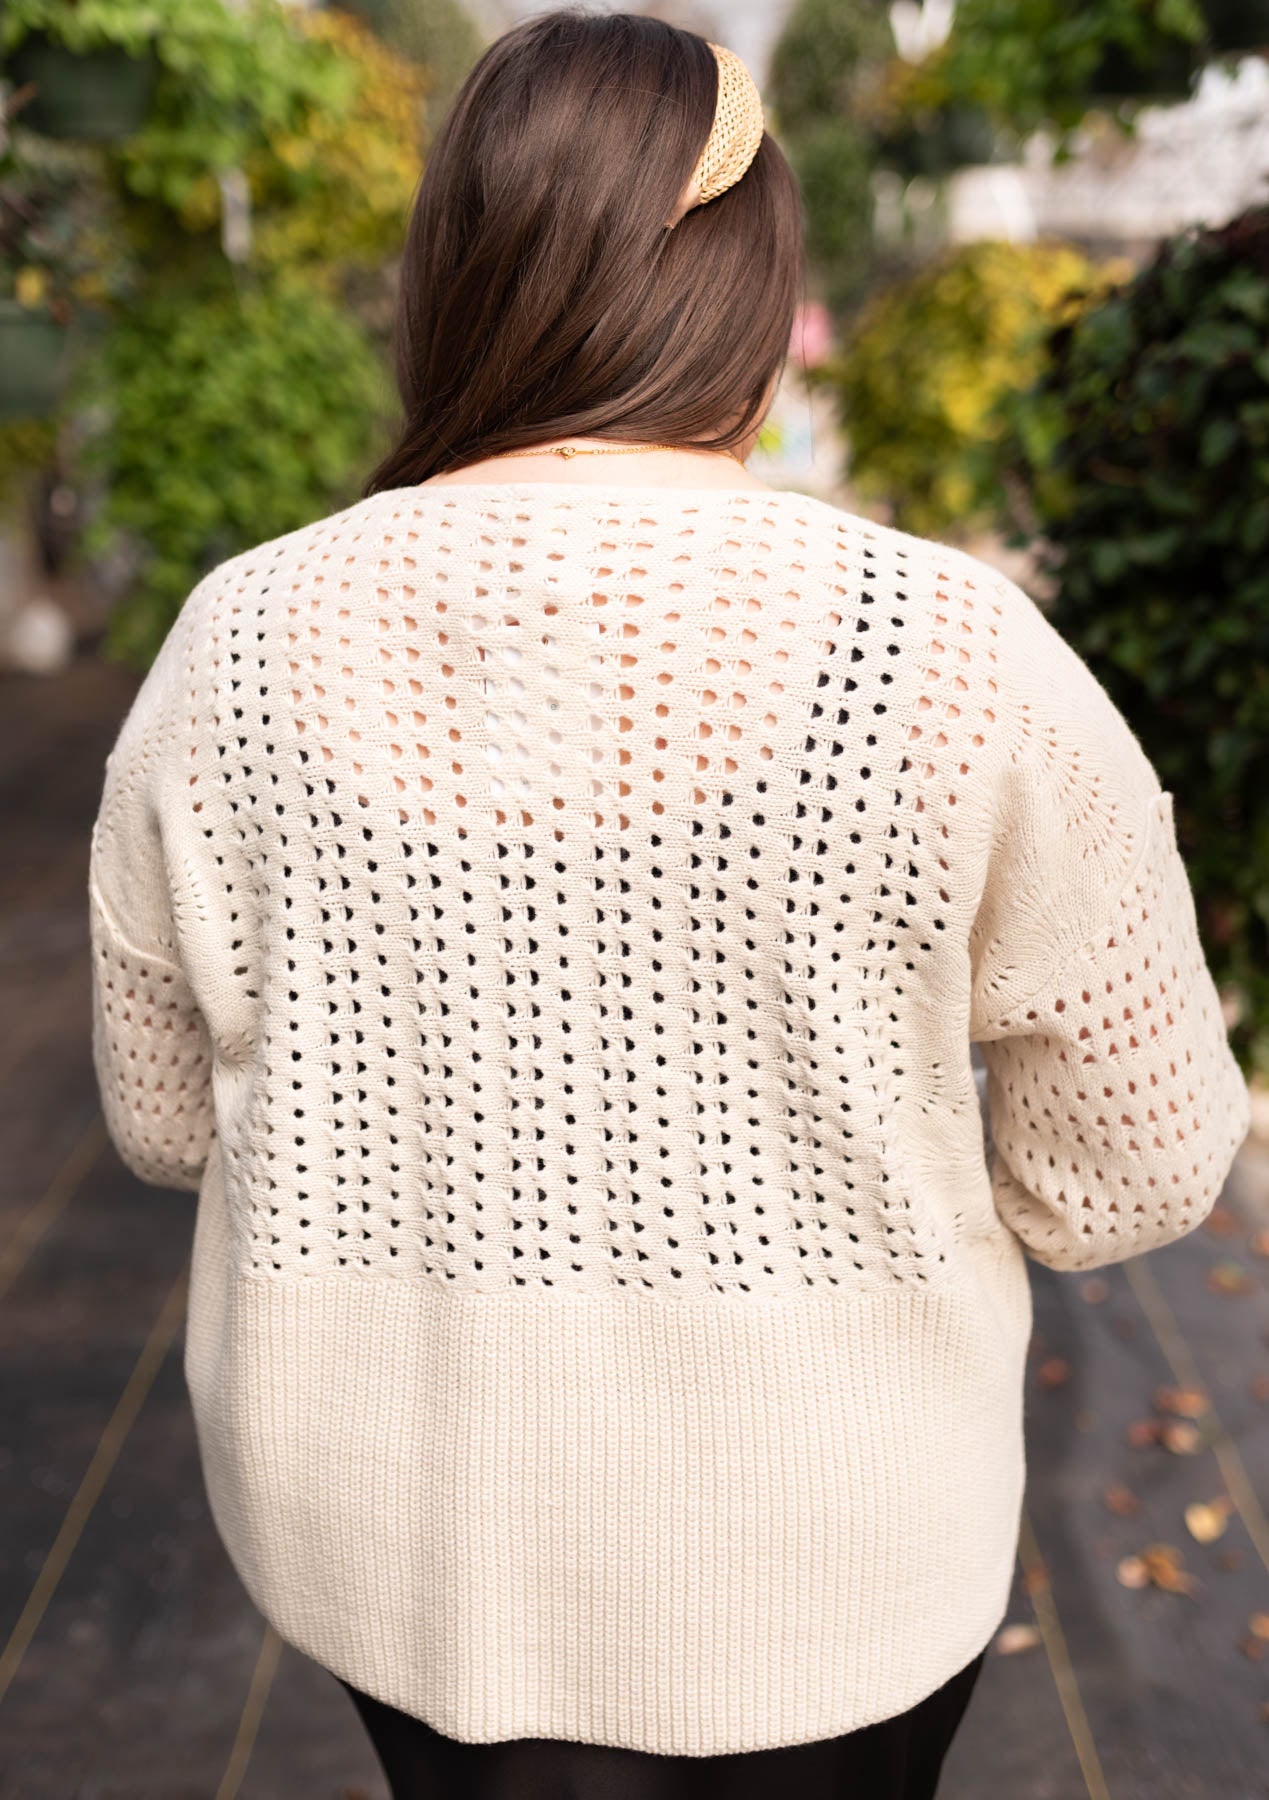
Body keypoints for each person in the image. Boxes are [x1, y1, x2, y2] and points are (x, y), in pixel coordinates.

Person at [86, 9, 1252, 1798]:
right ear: (744, 292)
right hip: (836, 1554)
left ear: (451, 277)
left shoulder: (238, 639)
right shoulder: (947, 647)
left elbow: (165, 1119)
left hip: (392, 1543)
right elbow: (1141, 1166)